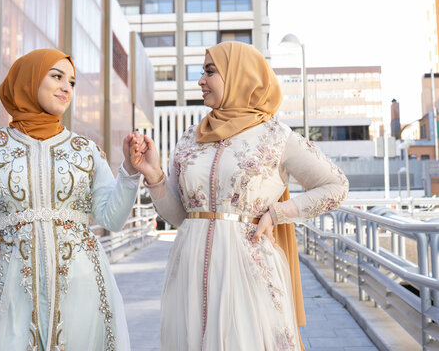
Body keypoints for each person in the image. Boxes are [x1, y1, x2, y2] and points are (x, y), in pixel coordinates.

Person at [0, 49, 144, 351]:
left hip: (81, 287)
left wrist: (128, 171)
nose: (66, 88)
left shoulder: (85, 150)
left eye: (72, 83)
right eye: (57, 76)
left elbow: (111, 219)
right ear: (29, 79)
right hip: (14, 289)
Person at [129, 41, 349, 350]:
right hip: (191, 270)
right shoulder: (189, 139)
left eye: (210, 72)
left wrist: (278, 214)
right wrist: (153, 176)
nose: (200, 81)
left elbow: (336, 185)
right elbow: (180, 216)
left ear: (238, 76)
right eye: (201, 72)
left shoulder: (275, 136)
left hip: (247, 268)